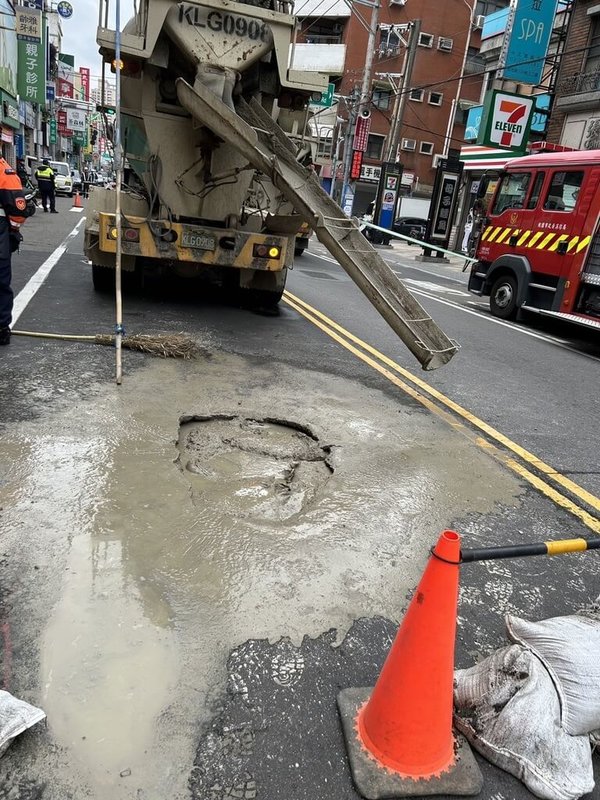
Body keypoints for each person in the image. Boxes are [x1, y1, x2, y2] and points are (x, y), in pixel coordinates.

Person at [0, 157, 28, 345]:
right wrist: (14, 230)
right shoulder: (4, 171)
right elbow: (18, 208)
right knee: (1, 281)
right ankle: (1, 328)